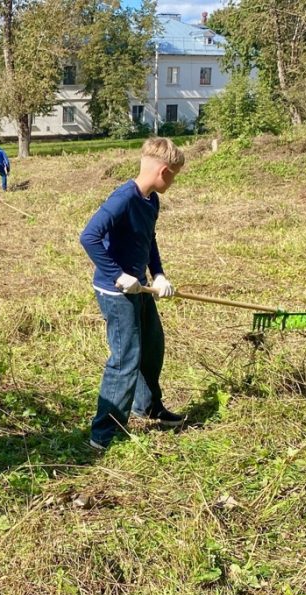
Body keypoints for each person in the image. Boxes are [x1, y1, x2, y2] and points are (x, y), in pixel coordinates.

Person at [79, 137, 186, 451]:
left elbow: (148, 239)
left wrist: (159, 274)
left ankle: (148, 406)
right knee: (125, 358)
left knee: (151, 347)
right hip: (115, 291)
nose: (173, 182)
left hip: (140, 286)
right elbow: (89, 237)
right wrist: (118, 275)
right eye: (174, 176)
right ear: (163, 171)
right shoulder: (123, 199)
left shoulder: (151, 200)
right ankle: (103, 433)